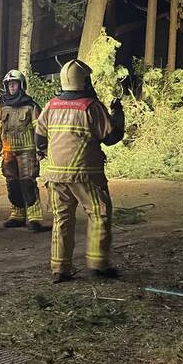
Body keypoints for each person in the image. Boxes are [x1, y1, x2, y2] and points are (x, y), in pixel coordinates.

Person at [35, 59, 125, 283]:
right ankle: (97, 265)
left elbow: (39, 135)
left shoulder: (51, 105)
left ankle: (59, 269)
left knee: (62, 219)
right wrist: (118, 114)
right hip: (86, 174)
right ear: (84, 81)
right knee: (99, 213)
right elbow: (111, 137)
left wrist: (45, 153)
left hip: (55, 175)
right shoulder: (91, 106)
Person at [0, 69, 44, 232]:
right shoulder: (4, 107)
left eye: (14, 84)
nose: (11, 88)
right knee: (12, 183)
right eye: (9, 85)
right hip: (9, 151)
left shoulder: (31, 106)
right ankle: (17, 214)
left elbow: (40, 129)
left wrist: (40, 148)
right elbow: (0, 128)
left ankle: (34, 217)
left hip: (27, 151)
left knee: (28, 182)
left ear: (21, 85)